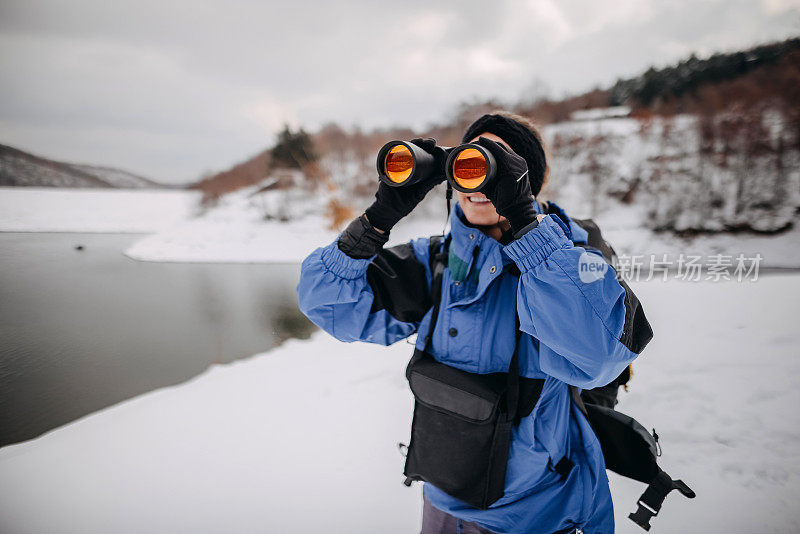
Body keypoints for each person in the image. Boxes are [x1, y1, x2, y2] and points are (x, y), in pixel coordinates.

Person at [296, 111, 653, 534]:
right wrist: (380, 216)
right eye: (469, 165)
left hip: (536, 512)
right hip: (443, 499)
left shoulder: (575, 259)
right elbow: (327, 304)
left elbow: (598, 357)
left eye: (496, 165)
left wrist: (525, 223)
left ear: (526, 182)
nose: (480, 182)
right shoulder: (436, 262)